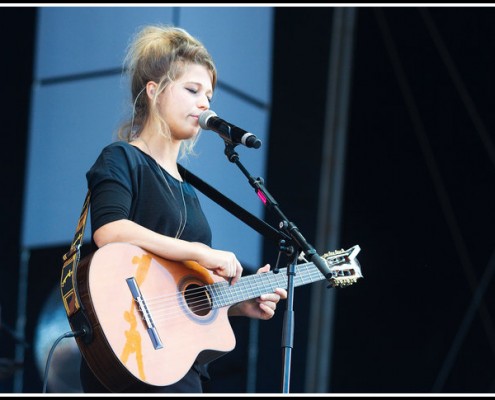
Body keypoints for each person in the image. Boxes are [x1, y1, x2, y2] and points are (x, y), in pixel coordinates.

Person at [79, 24, 287, 393]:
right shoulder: (122, 158)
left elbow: (176, 294)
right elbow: (109, 231)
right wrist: (199, 251)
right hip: (129, 353)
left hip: (181, 367)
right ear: (154, 90)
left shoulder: (188, 189)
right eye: (192, 90)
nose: (205, 103)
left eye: (209, 94)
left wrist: (237, 304)